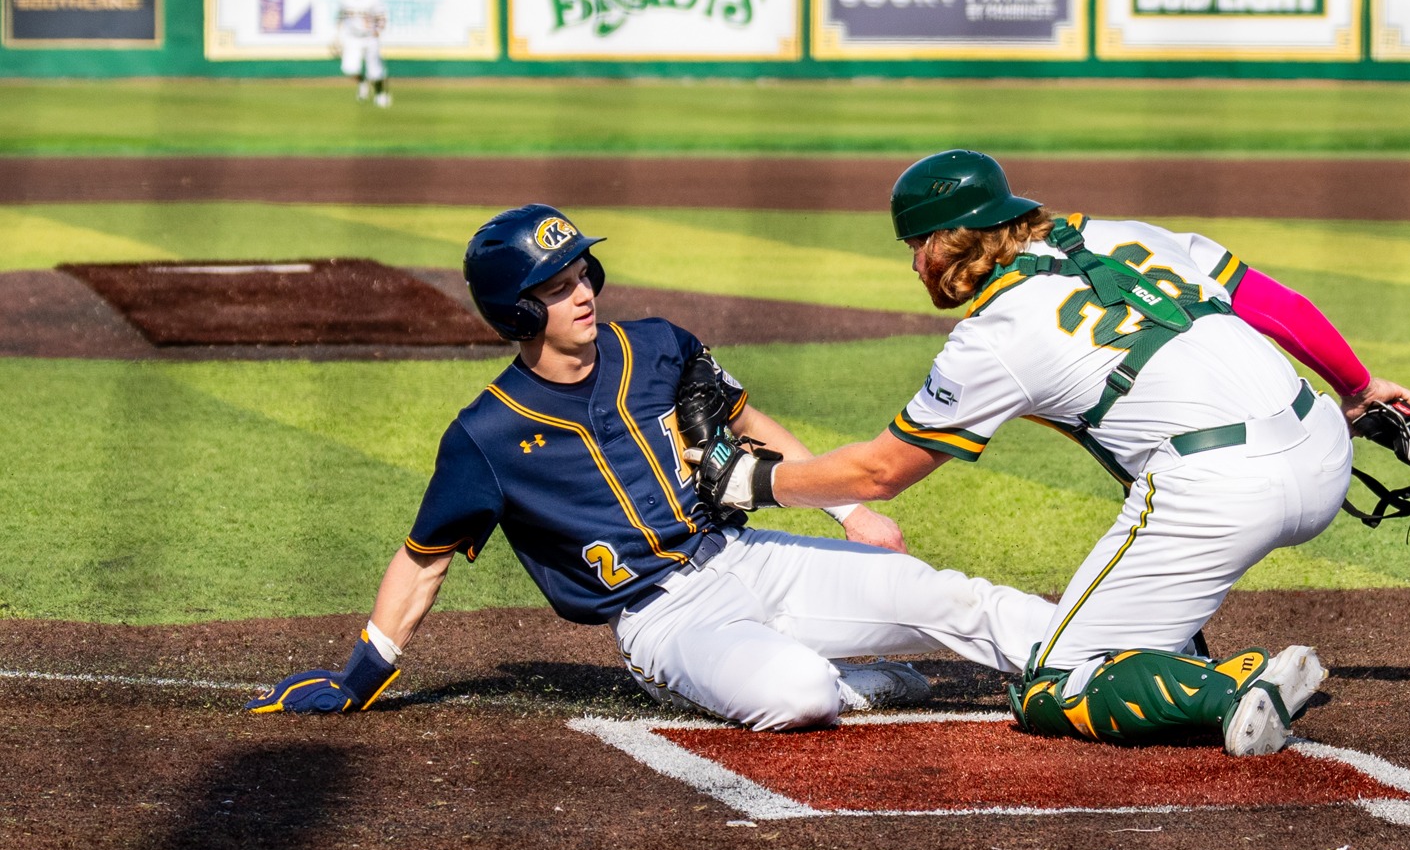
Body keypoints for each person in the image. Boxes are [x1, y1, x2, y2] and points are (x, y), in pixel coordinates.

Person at [692, 149, 1410, 756]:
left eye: (915, 246)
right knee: (1139, 493)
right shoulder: (1124, 231)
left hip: (1223, 494)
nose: (915, 265)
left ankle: (1236, 684)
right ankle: (1174, 647)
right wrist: (1358, 389)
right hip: (1325, 441)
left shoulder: (996, 333)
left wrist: (756, 481)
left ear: (947, 242)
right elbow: (1277, 304)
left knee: (1053, 685)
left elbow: (882, 472)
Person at [248, 204, 1055, 729]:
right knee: (798, 695)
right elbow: (422, 562)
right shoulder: (486, 436)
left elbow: (752, 423)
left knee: (953, 598)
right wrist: (362, 673)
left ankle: (1117, 656)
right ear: (517, 311)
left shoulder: (661, 346)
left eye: (582, 276)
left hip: (751, 557)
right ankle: (848, 683)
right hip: (662, 618)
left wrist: (850, 513)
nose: (582, 295)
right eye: (556, 288)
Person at [335, 0, 389, 108]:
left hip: (369, 36)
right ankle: (362, 82)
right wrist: (338, 35)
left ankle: (380, 94)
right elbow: (340, 15)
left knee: (375, 70)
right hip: (353, 37)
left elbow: (381, 14)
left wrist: (378, 30)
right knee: (349, 68)